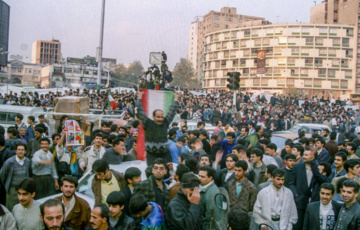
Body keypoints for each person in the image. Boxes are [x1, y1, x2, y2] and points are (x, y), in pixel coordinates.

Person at [136, 90, 180, 165]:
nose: (160, 119)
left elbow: (171, 111)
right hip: (151, 156)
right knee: (152, 172)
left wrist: (176, 98)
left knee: (166, 172)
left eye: (161, 117)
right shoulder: (148, 123)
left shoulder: (165, 122)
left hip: (165, 155)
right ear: (153, 117)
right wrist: (139, 97)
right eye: (158, 117)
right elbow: (140, 111)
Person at [0, 143, 31, 211]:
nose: (20, 151)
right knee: (11, 209)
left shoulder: (28, 161)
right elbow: (2, 175)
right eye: (19, 150)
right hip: (12, 190)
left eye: (22, 150)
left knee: (23, 209)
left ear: (25, 151)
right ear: (16, 151)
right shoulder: (9, 162)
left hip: (24, 189)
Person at [198, 165, 228, 229]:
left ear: (210, 178)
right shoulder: (204, 188)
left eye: (202, 177)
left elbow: (212, 218)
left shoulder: (212, 193)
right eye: (199, 175)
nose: (199, 178)